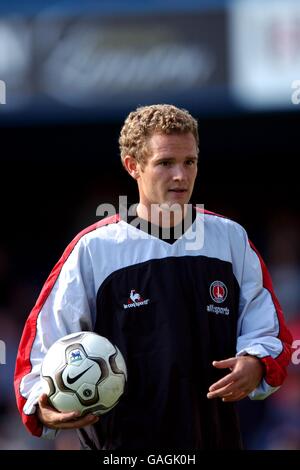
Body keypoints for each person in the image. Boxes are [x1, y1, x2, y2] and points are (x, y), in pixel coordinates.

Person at [14, 104, 292, 449]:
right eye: (165, 163)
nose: (181, 175)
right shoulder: (93, 249)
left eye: (189, 162)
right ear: (133, 166)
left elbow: (270, 332)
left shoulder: (231, 239)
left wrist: (255, 362)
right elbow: (42, 350)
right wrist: (44, 405)